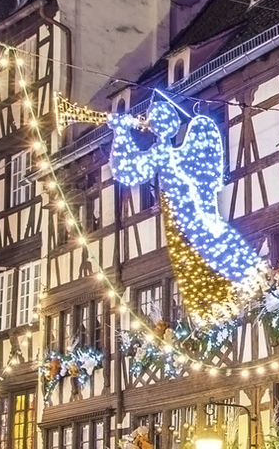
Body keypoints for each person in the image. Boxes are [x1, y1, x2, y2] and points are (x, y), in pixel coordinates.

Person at [112, 94, 263, 326]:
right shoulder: (178, 150)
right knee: (208, 261)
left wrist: (121, 133)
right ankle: (226, 305)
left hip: (186, 220)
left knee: (200, 263)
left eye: (153, 121)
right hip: (198, 219)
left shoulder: (163, 154)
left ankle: (222, 309)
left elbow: (127, 170)